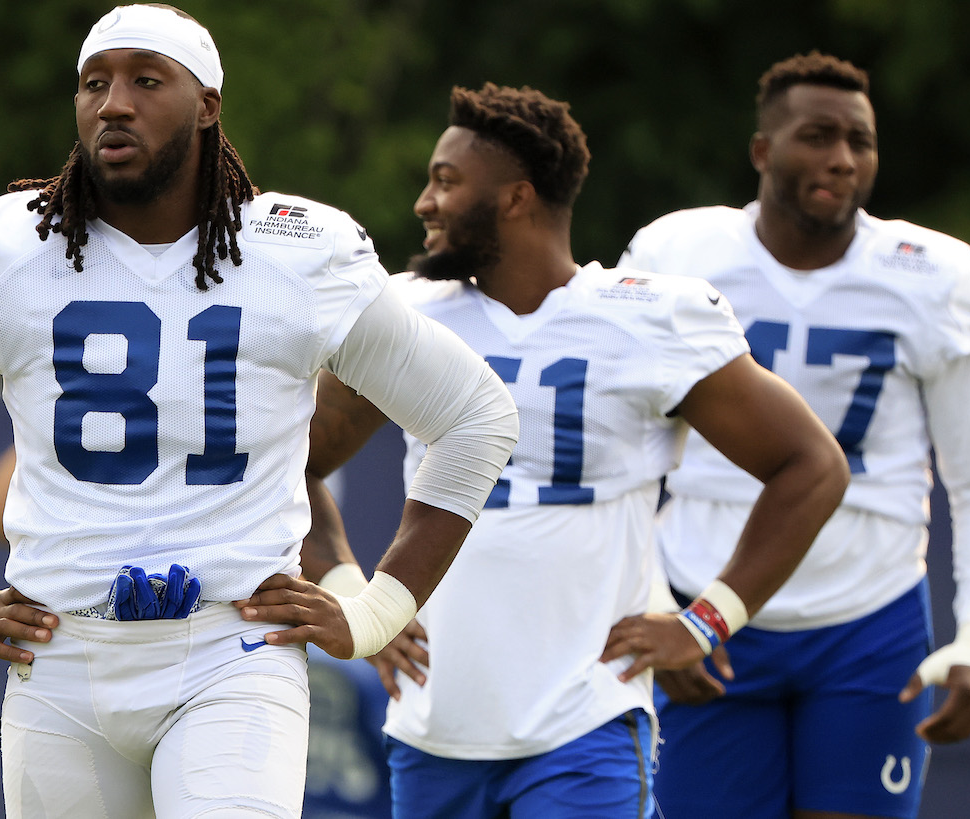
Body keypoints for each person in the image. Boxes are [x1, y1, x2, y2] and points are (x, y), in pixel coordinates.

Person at [0, 5, 518, 818]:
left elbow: (475, 415)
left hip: (232, 650)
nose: (114, 102)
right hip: (59, 656)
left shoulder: (296, 249)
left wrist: (376, 611)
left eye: (147, 79)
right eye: (94, 82)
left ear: (208, 104)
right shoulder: (8, 249)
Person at [305, 82, 850, 819]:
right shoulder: (408, 315)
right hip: (434, 724)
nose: (423, 205)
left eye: (445, 181)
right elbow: (282, 463)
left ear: (516, 198)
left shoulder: (649, 318)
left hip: (583, 723)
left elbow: (812, 464)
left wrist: (707, 620)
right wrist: (353, 600)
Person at [620, 52, 970, 819]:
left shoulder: (929, 275)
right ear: (762, 151)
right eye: (817, 135)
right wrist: (647, 600)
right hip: (704, 608)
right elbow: (623, 459)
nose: (841, 158)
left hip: (868, 622)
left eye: (859, 141)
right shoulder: (679, 256)